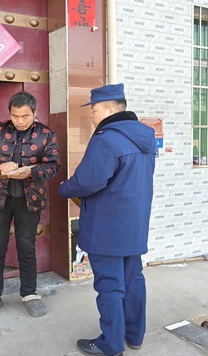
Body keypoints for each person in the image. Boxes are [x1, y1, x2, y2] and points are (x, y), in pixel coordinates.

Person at [59, 83, 156, 356]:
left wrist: (65, 188)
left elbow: (88, 181)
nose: (91, 114)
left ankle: (111, 344)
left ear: (111, 110)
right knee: (133, 279)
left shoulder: (106, 138)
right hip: (134, 225)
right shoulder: (145, 137)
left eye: (94, 109)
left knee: (110, 285)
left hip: (107, 226)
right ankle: (134, 335)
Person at [0, 91, 60, 319]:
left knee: (26, 246)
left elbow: (53, 165)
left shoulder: (46, 134)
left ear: (35, 113)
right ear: (9, 113)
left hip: (30, 199)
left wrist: (31, 172)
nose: (20, 121)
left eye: (25, 116)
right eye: (15, 115)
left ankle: (29, 294)